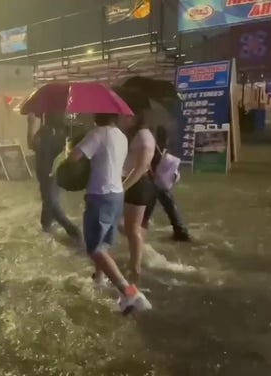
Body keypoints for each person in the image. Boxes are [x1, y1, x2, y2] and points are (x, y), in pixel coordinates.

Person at [68, 113, 151, 314]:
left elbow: (73, 158)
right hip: (117, 194)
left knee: (95, 248)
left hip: (100, 195)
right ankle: (100, 279)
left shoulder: (96, 134)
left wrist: (72, 146)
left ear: (96, 116)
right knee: (105, 243)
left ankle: (129, 292)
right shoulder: (121, 136)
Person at [33, 112, 82, 242]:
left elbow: (33, 145)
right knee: (49, 202)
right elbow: (35, 146)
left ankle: (73, 232)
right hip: (52, 171)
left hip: (49, 171)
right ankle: (47, 230)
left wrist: (30, 125)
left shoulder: (52, 130)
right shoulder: (56, 130)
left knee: (51, 202)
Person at [121, 115, 157, 283]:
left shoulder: (143, 137)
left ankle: (135, 268)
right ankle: (138, 260)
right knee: (137, 228)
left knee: (132, 229)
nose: (123, 118)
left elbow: (141, 168)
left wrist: (122, 188)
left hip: (139, 184)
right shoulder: (138, 135)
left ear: (136, 117)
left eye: (127, 116)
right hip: (139, 184)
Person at [142, 125, 191, 241]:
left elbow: (148, 166)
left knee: (144, 214)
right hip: (163, 184)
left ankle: (139, 236)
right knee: (170, 208)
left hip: (152, 184)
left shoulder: (152, 147)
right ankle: (181, 232)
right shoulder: (168, 148)